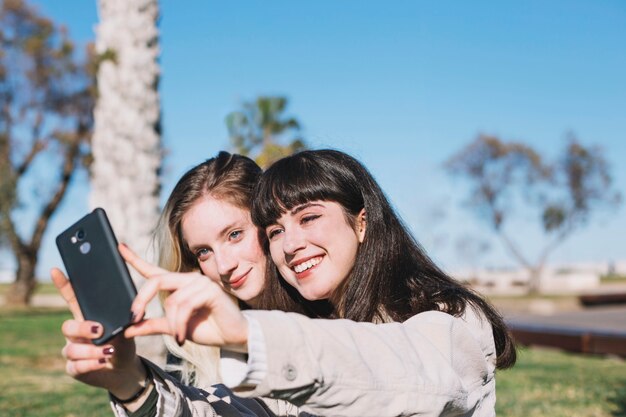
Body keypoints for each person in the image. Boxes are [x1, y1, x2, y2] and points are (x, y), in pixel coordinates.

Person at [125, 149, 517, 416]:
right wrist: (129, 382)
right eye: (276, 230)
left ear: (361, 221)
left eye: (309, 218)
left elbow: (402, 370)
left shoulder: (451, 317)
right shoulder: (313, 326)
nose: (292, 243)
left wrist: (252, 337)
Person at [55, 152, 311, 416]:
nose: (223, 266)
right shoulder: (190, 349)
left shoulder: (329, 310)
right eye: (203, 252)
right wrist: (130, 382)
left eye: (234, 235)